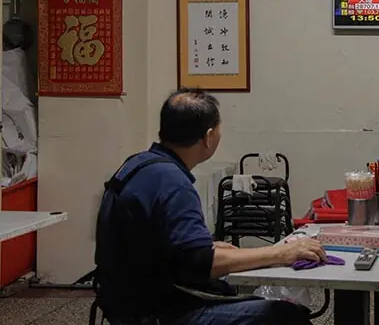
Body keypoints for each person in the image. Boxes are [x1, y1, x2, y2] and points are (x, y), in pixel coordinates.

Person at [93, 88, 326, 325]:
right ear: (208, 136)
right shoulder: (173, 183)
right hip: (158, 313)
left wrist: (206, 247)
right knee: (285, 316)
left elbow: (152, 245)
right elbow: (201, 264)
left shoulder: (139, 165)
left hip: (122, 305)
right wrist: (280, 254)